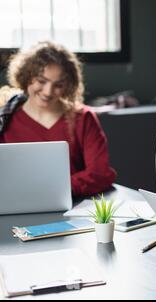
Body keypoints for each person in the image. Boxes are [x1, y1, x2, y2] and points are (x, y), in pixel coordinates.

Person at [0, 41, 117, 197]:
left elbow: (100, 173)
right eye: (41, 81)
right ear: (26, 76)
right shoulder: (5, 120)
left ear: (68, 85)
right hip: (15, 202)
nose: (48, 92)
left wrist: (54, 190)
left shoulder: (83, 118)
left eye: (58, 84)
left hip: (73, 204)